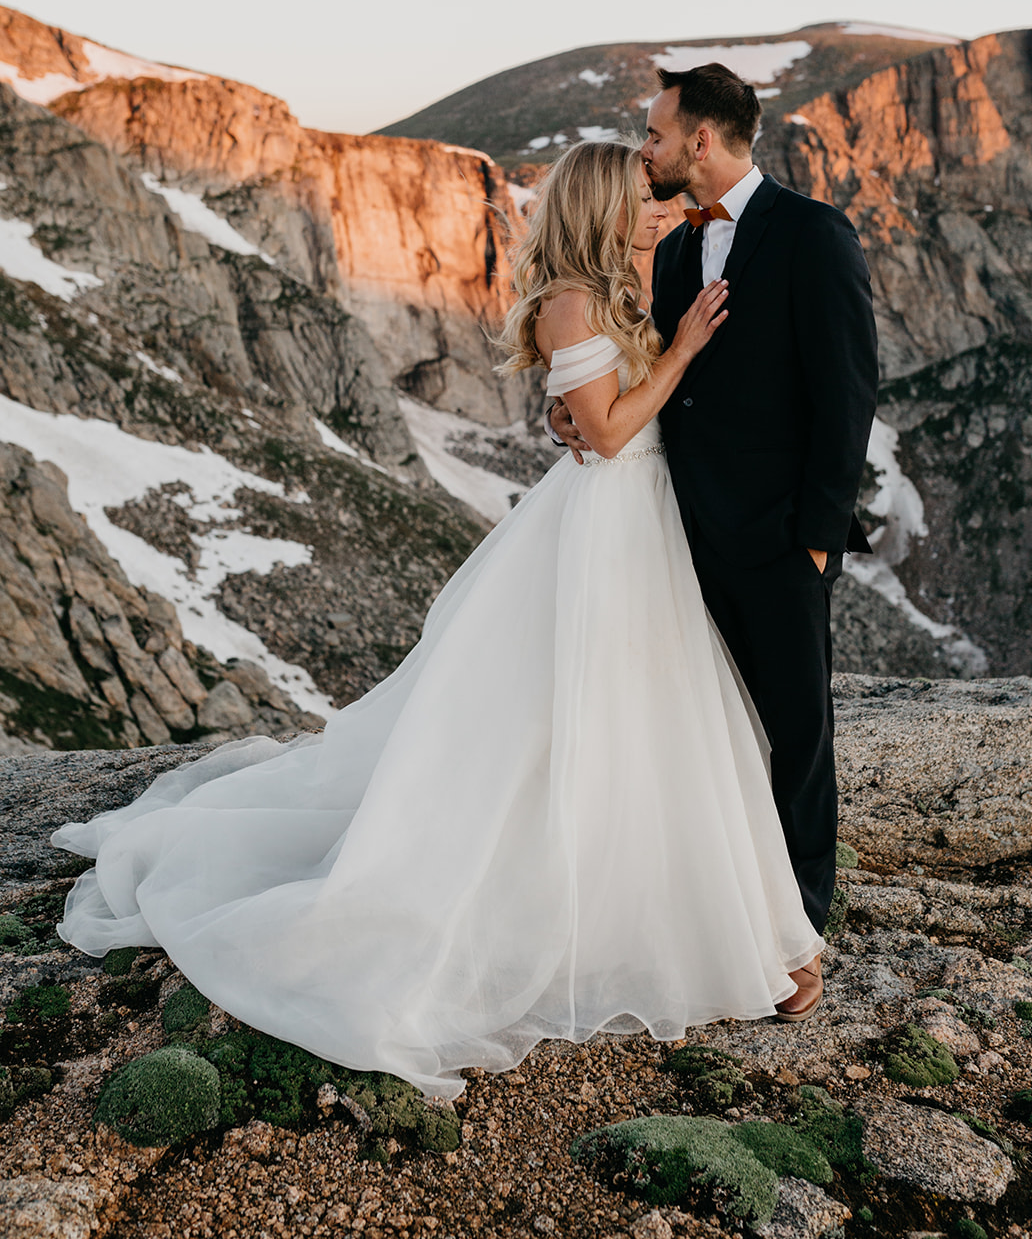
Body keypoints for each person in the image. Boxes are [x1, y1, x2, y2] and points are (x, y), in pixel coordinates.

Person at [52, 139, 824, 1102]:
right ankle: (588, 915)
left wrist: (646, 327)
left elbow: (602, 413)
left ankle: (709, 920)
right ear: (597, 207)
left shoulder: (615, 286)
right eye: (636, 196)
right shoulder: (567, 304)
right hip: (604, 531)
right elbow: (615, 428)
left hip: (644, 527)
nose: (654, 204)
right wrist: (680, 350)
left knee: (649, 720)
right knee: (570, 720)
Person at [551, 63, 879, 1020]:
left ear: (700, 139)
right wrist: (566, 417)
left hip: (777, 540)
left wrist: (816, 542)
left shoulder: (812, 233)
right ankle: (694, 911)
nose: (643, 149)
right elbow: (623, 368)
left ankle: (796, 931)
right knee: (693, 734)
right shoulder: (660, 242)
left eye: (653, 134)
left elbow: (846, 392)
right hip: (666, 534)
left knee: (794, 735)